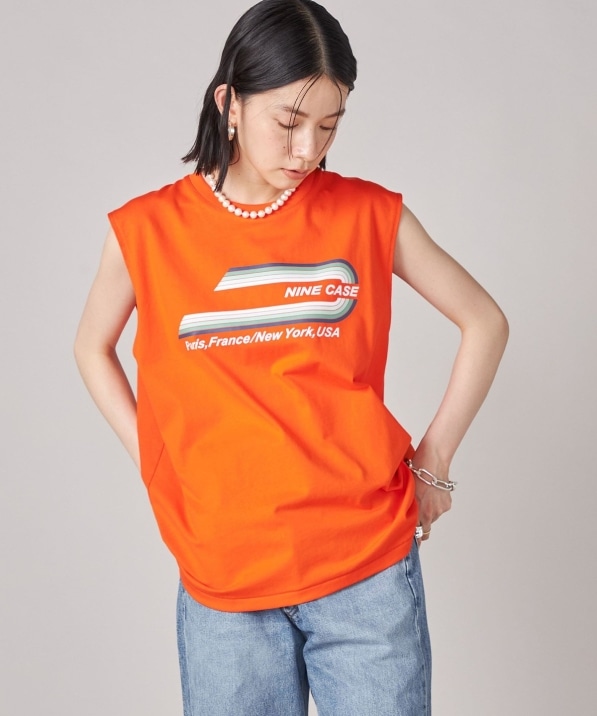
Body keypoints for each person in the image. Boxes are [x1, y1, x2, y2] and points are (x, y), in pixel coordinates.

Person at [74, 1, 508, 713]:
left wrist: (434, 462)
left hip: (365, 569)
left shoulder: (369, 214)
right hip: (224, 576)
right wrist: (154, 454)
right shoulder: (145, 231)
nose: (307, 149)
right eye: (289, 121)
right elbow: (91, 347)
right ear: (230, 104)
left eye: (328, 126)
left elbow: (484, 321)